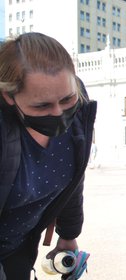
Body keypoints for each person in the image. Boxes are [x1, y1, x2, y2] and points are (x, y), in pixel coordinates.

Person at [0, 32, 97, 279]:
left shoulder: (79, 114)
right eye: (42, 106)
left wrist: (69, 235)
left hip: (19, 249)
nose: (58, 113)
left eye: (67, 99)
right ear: (9, 97)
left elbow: (73, 180)